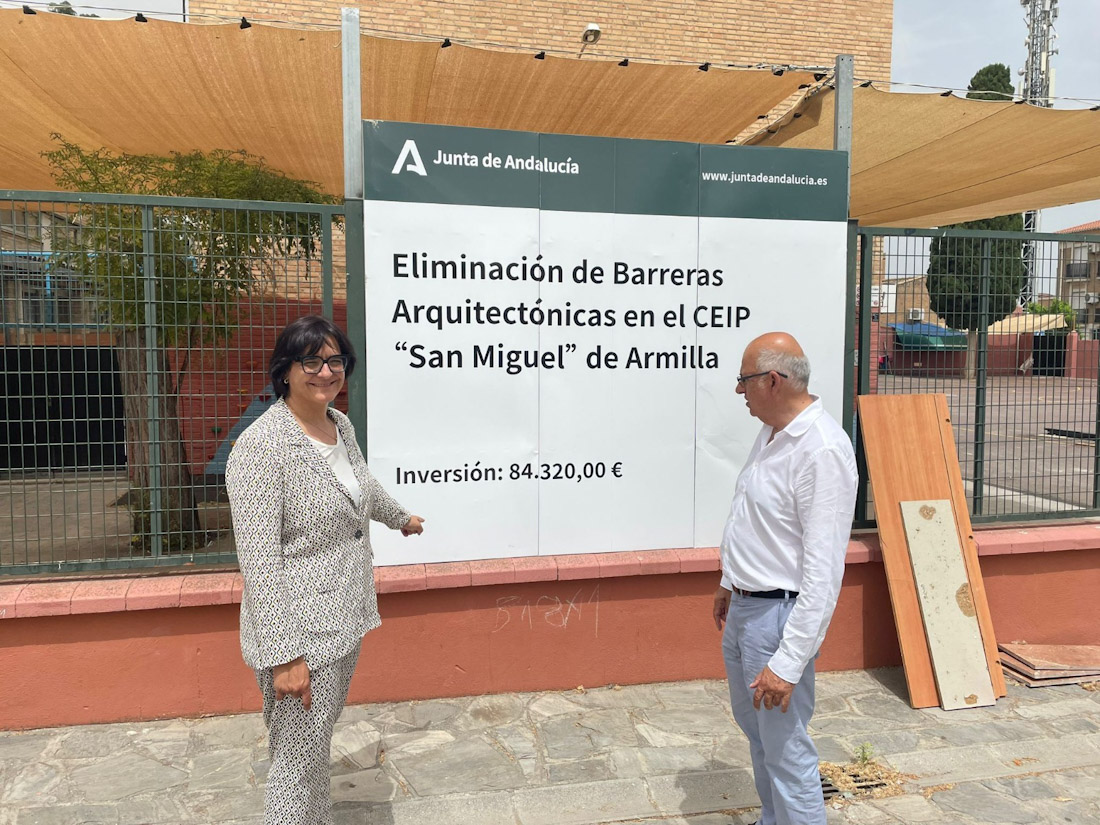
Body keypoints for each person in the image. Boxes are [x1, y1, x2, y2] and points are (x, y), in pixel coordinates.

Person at [226, 315, 424, 825]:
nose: (325, 371)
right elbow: (260, 560)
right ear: (285, 371)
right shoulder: (260, 449)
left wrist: (399, 517)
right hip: (300, 632)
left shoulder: (339, 425)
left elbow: (361, 482)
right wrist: (284, 654)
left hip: (346, 615)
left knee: (314, 751)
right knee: (295, 764)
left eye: (334, 360)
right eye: (310, 360)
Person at [712, 332, 857, 825]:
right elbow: (759, 523)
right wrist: (731, 582)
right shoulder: (774, 433)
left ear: (772, 381)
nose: (739, 392)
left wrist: (788, 662)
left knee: (787, 749)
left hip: (779, 618)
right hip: (750, 608)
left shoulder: (821, 452)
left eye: (743, 381)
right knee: (759, 735)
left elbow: (823, 573)